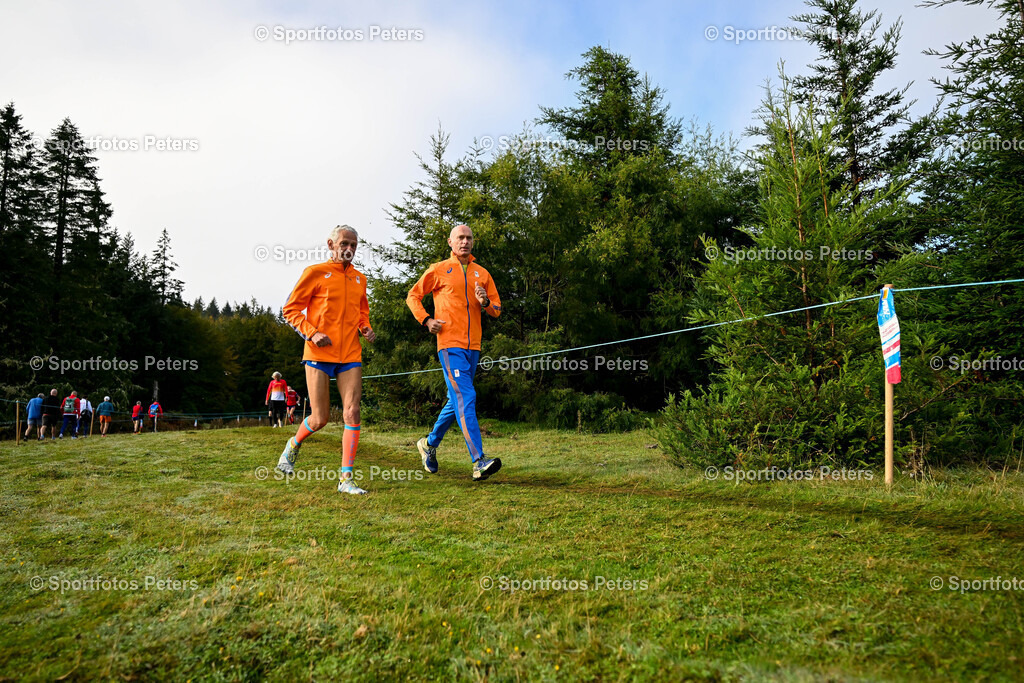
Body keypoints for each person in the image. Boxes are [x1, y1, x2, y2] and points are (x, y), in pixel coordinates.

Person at [276, 224, 375, 495]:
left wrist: (365, 327)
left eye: (353, 245)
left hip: (350, 354)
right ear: (331, 244)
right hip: (319, 353)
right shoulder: (315, 273)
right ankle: (293, 445)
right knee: (320, 418)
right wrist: (312, 332)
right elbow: (290, 309)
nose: (349, 249)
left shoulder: (359, 279)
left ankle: (346, 480)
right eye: (344, 243)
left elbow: (361, 312)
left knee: (352, 412)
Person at [406, 223, 503, 480]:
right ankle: (478, 460)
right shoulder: (439, 269)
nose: (465, 242)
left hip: (474, 347)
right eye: (460, 237)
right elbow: (413, 296)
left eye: (469, 238)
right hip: (449, 344)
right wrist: (426, 320)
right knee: (467, 396)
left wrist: (485, 302)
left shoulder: (481, 273)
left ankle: (429, 444)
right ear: (450, 242)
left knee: (456, 400)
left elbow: (496, 309)